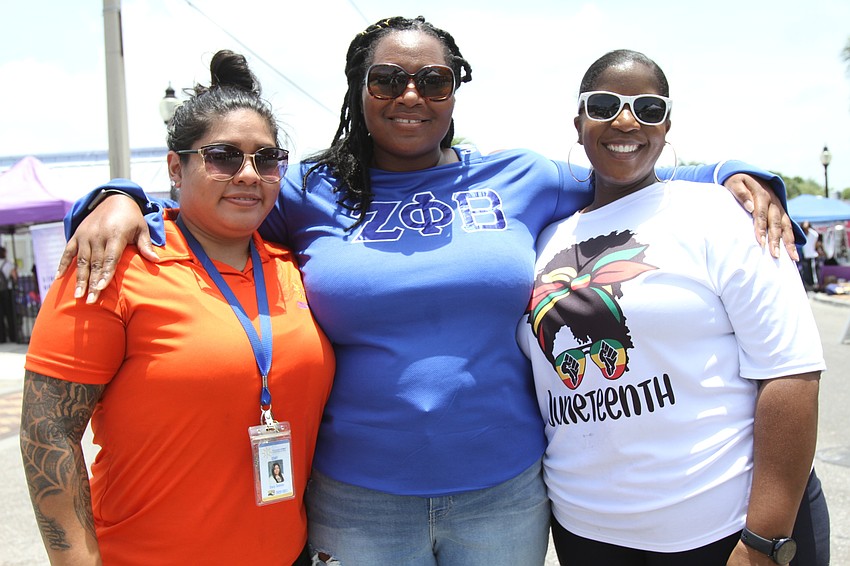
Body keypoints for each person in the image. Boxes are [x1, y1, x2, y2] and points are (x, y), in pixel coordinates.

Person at [59, 17, 801, 566]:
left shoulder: (519, 176)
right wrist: (117, 197)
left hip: (504, 492)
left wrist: (735, 171)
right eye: (386, 79)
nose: (409, 95)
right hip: (356, 497)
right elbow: (213, 200)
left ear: (454, 92)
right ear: (360, 90)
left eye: (433, 80)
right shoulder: (313, 189)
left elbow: (628, 168)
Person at [19, 50, 334, 566]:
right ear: (176, 166)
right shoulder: (111, 266)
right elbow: (46, 432)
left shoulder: (294, 267)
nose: (249, 174)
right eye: (223, 156)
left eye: (267, 158)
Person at [518, 49, 824, 565]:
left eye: (648, 109)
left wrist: (764, 542)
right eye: (605, 104)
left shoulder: (721, 216)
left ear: (666, 127)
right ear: (578, 122)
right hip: (586, 532)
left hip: (723, 532)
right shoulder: (545, 237)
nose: (625, 120)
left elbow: (790, 374)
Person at [0, 246, 18, 343]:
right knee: (10, 315)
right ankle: (13, 336)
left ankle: (2, 338)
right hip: (7, 292)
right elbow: (15, 278)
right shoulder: (8, 264)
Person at [800, 221, 820, 289]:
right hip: (805, 255)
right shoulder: (801, 233)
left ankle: (815, 284)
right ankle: (808, 284)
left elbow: (815, 244)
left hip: (812, 255)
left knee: (813, 270)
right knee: (806, 270)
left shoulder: (813, 233)